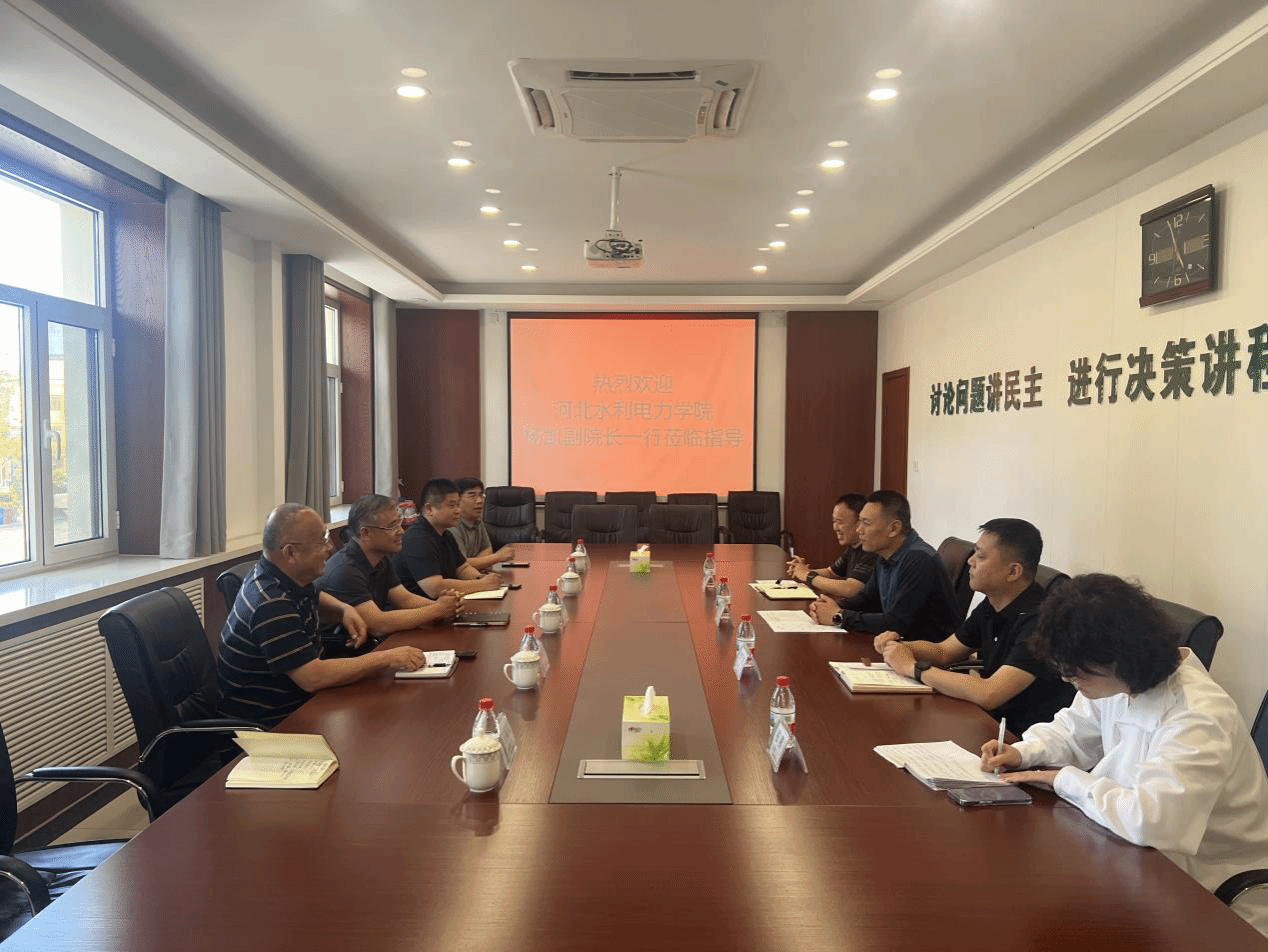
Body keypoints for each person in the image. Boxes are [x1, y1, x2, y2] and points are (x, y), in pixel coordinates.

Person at [981, 573, 1268, 937]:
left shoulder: (1199, 716)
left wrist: (1062, 779)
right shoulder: (1119, 680)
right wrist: (1021, 753)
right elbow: (1072, 730)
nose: (1068, 679)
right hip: (1137, 860)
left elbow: (1151, 822)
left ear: (1117, 657)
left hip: (1211, 893)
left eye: (1075, 671)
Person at [217, 504, 427, 728]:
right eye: (321, 541)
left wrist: (344, 609)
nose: (330, 547)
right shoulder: (270, 603)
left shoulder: (281, 574)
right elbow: (312, 677)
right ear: (290, 552)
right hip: (275, 724)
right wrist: (386, 658)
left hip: (304, 703)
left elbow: (315, 595)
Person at [874, 518, 1074, 732]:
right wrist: (900, 646)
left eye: (981, 556)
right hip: (989, 724)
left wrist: (912, 668)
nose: (970, 561)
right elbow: (943, 652)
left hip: (1022, 738)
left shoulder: (1040, 622)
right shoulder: (993, 604)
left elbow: (990, 693)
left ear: (1013, 572)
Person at [808, 489, 960, 642]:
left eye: (866, 523)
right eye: (859, 522)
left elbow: (897, 623)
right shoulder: (885, 555)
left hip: (925, 651)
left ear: (894, 528)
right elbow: (866, 599)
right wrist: (829, 606)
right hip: (896, 644)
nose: (859, 530)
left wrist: (839, 616)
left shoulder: (919, 560)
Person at [316, 493, 463, 639]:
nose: (401, 531)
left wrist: (448, 606)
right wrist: (438, 610)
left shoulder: (380, 559)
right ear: (365, 533)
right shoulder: (345, 570)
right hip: (341, 650)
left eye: (399, 523)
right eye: (392, 526)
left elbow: (405, 599)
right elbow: (378, 624)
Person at [393, 478, 504, 598]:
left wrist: (482, 578)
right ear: (429, 509)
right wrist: (482, 584)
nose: (458, 511)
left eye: (458, 505)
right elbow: (434, 587)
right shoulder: (417, 539)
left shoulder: (446, 534)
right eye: (451, 506)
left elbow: (462, 568)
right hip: (418, 607)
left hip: (443, 603)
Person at [785, 492, 875, 601]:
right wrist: (801, 570)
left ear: (859, 522)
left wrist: (808, 576)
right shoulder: (853, 547)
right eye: (834, 521)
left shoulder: (871, 550)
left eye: (840, 522)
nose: (835, 527)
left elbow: (850, 589)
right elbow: (831, 572)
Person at [448, 477, 514, 572]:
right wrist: (497, 557)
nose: (479, 501)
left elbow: (487, 549)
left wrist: (476, 563)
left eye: (481, 495)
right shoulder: (451, 525)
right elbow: (460, 564)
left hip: (474, 574)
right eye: (472, 496)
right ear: (457, 499)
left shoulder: (477, 520)